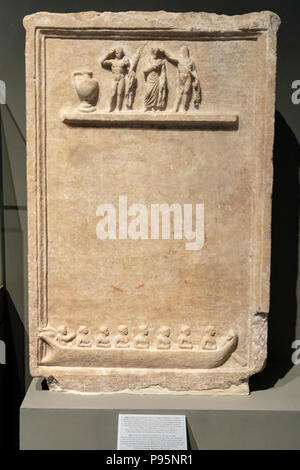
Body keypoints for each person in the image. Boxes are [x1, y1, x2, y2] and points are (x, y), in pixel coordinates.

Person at [164, 46, 201, 112]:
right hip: (181, 77)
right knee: (179, 92)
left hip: (188, 77)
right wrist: (164, 51)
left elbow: (193, 70)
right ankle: (175, 108)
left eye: (184, 51)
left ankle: (183, 108)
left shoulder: (191, 61)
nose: (182, 52)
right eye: (182, 51)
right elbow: (170, 57)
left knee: (186, 92)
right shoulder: (179, 59)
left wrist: (196, 78)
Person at [101, 47, 130, 111]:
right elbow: (102, 62)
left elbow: (129, 69)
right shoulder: (112, 61)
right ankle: (111, 107)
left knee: (120, 93)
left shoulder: (123, 61)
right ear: (115, 54)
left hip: (121, 77)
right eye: (118, 53)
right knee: (113, 93)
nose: (120, 55)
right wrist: (108, 54)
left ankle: (118, 108)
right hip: (114, 78)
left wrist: (127, 64)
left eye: (121, 53)